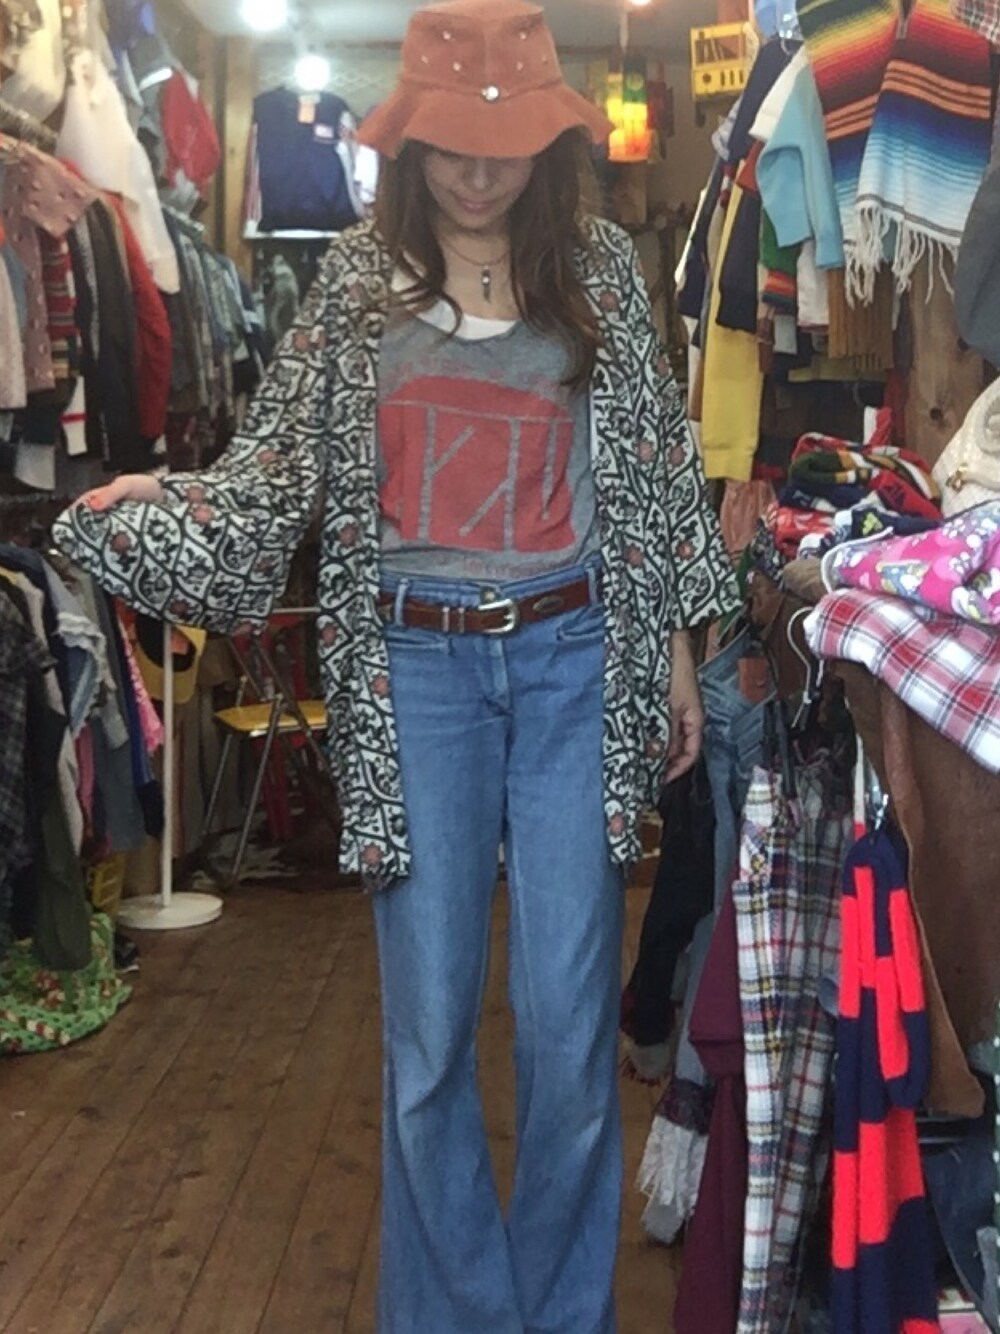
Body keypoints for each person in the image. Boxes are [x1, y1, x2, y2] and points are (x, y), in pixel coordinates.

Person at [55, 1, 737, 1329]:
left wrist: (673, 651)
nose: (479, 174)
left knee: (569, 1035)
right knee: (427, 1038)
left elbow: (654, 469)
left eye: (506, 147)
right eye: (451, 147)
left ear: (547, 145)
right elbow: (271, 478)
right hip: (412, 676)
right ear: (409, 142)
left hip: (576, 661)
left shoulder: (599, 267)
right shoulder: (355, 285)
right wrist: (152, 504)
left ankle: (563, 1315)